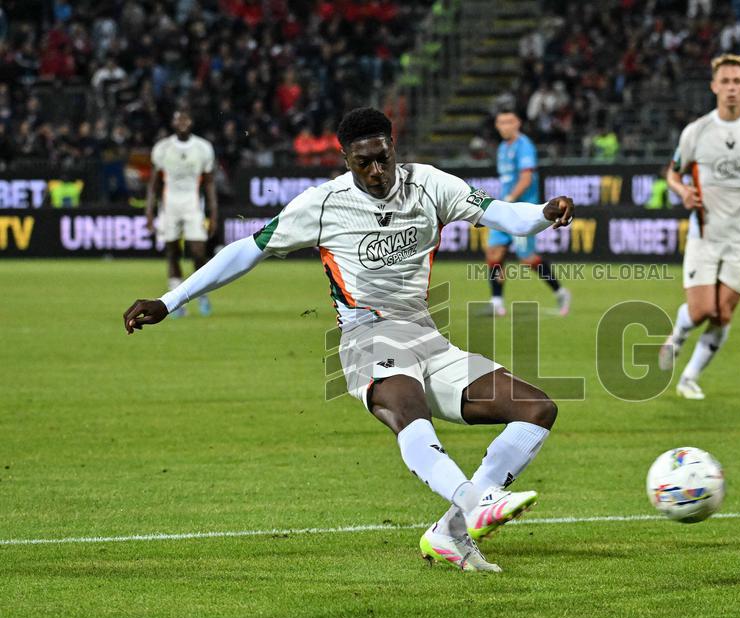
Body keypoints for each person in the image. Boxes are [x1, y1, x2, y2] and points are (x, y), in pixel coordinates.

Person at [123, 107, 576, 573]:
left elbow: (503, 214)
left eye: (383, 158)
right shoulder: (322, 204)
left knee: (536, 409)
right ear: (345, 159)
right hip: (367, 338)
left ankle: (451, 531)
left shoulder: (430, 184)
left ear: (393, 147)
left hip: (426, 337)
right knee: (409, 409)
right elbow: (247, 251)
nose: (377, 171)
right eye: (364, 163)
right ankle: (474, 500)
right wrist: (170, 300)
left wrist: (544, 213)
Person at [657, 54, 740, 399]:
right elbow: (673, 173)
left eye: (736, 81)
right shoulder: (696, 131)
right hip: (705, 234)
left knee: (722, 313)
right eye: (725, 81)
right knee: (702, 310)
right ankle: (678, 335)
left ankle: (689, 378)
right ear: (714, 86)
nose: (731, 88)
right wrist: (683, 191)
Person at [486, 109, 570, 317]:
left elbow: (526, 178)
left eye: (509, 121)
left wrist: (511, 197)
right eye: (501, 122)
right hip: (504, 209)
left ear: (518, 124)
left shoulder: (524, 146)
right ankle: (496, 302)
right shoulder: (502, 148)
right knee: (494, 253)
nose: (505, 126)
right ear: (497, 126)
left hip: (522, 212)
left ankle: (560, 291)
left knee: (527, 259)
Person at [146, 109, 218, 317]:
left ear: (191, 122)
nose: (182, 122)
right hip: (169, 206)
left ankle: (201, 293)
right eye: (179, 119)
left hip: (193, 204)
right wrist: (149, 212)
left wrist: (213, 213)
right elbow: (154, 184)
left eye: (186, 119)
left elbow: (209, 183)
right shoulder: (163, 148)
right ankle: (176, 303)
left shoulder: (203, 148)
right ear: (173, 122)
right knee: (172, 252)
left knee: (198, 252)